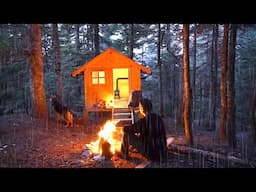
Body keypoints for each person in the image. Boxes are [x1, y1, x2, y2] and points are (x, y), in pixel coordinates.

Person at [121, 98, 168, 162]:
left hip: (151, 154)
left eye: (140, 106)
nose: (139, 108)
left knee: (126, 135)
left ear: (142, 108)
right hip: (161, 153)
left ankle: (124, 156)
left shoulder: (144, 121)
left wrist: (123, 127)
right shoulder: (158, 118)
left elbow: (127, 129)